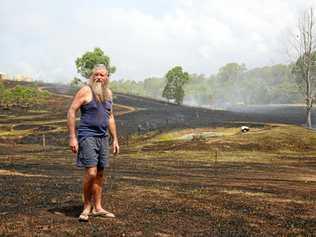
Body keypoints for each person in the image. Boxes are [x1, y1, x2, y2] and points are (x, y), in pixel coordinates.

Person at [67, 64, 120, 221]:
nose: (99, 77)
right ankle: (86, 207)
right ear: (92, 76)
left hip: (103, 138)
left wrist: (115, 139)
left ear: (107, 77)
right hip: (87, 136)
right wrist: (72, 136)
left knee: (100, 173)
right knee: (91, 172)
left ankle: (98, 207)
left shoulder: (108, 94)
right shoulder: (85, 90)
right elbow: (71, 110)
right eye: (96, 74)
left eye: (102, 75)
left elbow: (110, 117)